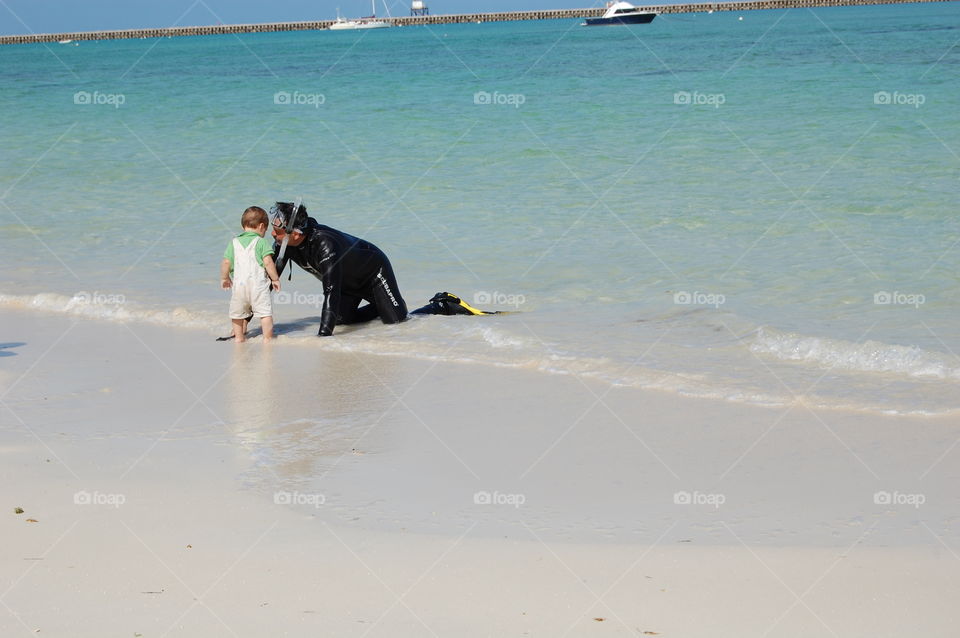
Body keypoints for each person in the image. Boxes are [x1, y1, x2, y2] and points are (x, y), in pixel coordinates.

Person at [270, 202, 407, 337]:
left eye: (277, 231)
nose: (272, 234)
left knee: (396, 321)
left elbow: (331, 290)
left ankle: (424, 309)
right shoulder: (283, 244)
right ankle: (381, 307)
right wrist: (247, 318)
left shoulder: (325, 244)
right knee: (340, 321)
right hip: (345, 284)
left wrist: (323, 337)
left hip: (374, 274)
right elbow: (266, 282)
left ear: (295, 234)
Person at [221, 206, 281, 342]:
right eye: (265, 229)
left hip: (239, 287)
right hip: (258, 287)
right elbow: (268, 263)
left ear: (243, 226)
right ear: (261, 226)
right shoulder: (261, 242)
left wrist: (224, 278)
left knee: (237, 314)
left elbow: (225, 262)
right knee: (265, 314)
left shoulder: (234, 243)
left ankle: (239, 338)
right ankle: (267, 338)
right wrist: (275, 279)